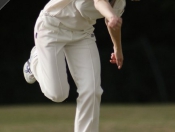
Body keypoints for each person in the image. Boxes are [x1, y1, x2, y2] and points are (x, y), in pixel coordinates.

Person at [23, 0, 126, 131]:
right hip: (52, 27)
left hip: (83, 34)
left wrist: (117, 49)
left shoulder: (120, 3)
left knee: (92, 90)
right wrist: (112, 16)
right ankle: (35, 61)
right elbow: (99, 2)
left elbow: (111, 23)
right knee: (58, 94)